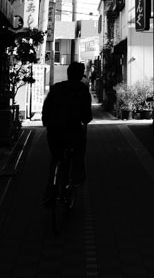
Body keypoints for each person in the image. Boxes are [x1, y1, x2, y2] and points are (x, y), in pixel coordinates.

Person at [42, 61, 92, 204]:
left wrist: (47, 123)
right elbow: (86, 117)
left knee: (56, 158)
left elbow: (46, 107)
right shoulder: (82, 90)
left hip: (54, 131)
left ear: (68, 74)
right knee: (78, 151)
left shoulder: (57, 88)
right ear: (80, 75)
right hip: (73, 131)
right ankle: (76, 178)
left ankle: (50, 191)